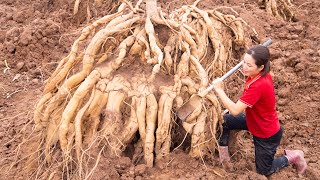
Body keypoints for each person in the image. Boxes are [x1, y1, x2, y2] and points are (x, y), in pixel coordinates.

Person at [212, 45, 307, 176]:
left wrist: (219, 90)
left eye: (249, 65)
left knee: (264, 170)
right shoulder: (259, 73)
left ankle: (293, 156)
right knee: (225, 121)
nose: (244, 67)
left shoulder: (258, 85)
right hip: (254, 121)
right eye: (244, 62)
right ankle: (223, 156)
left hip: (266, 133)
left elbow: (235, 110)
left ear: (261, 67)